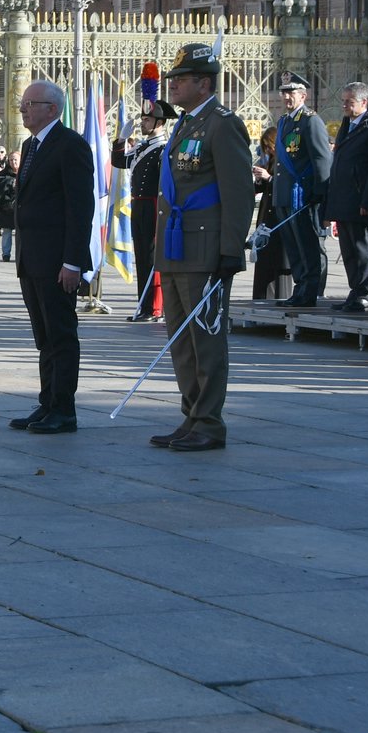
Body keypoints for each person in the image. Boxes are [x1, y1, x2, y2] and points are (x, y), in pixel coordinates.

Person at [150, 43, 253, 452]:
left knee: (205, 339)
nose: (172, 86)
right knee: (181, 339)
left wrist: (230, 250)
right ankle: (192, 415)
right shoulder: (186, 123)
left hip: (206, 248)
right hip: (177, 245)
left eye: (181, 79)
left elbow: (238, 193)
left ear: (204, 84)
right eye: (173, 79)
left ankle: (209, 422)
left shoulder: (222, 124)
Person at [7, 80, 94, 435]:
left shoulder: (70, 145)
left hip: (58, 260)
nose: (23, 109)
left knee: (61, 335)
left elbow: (80, 208)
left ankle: (64, 410)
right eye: (23, 103)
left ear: (52, 109)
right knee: (43, 336)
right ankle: (47, 403)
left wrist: (72, 261)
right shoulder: (30, 145)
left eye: (30, 104)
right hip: (32, 258)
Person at [324, 82, 368, 312]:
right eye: (343, 101)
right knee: (348, 249)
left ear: (363, 102)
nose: (344, 105)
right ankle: (355, 291)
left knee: (361, 248)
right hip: (343, 197)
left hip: (359, 198)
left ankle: (364, 293)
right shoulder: (349, 122)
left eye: (349, 102)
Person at [112, 99, 176, 321]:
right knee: (141, 256)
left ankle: (154, 308)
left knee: (151, 257)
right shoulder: (142, 146)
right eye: (143, 119)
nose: (142, 123)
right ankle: (144, 305)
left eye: (147, 120)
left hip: (154, 205)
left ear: (160, 123)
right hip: (138, 204)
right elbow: (119, 161)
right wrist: (121, 139)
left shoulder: (164, 148)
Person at [272, 71, 331, 307]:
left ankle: (310, 290)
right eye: (284, 92)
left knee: (308, 245)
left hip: (302, 195)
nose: (287, 97)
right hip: (285, 194)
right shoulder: (284, 121)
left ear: (303, 95)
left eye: (292, 92)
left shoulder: (310, 121)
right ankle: (300, 288)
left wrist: (320, 192)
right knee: (293, 246)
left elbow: (321, 159)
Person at [251, 127, 292, 302]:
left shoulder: (286, 160)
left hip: (279, 216)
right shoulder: (271, 161)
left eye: (270, 146)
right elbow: (264, 188)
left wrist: (268, 177)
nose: (268, 151)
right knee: (265, 261)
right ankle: (262, 299)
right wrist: (259, 180)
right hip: (267, 216)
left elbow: (286, 186)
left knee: (279, 261)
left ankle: (279, 298)